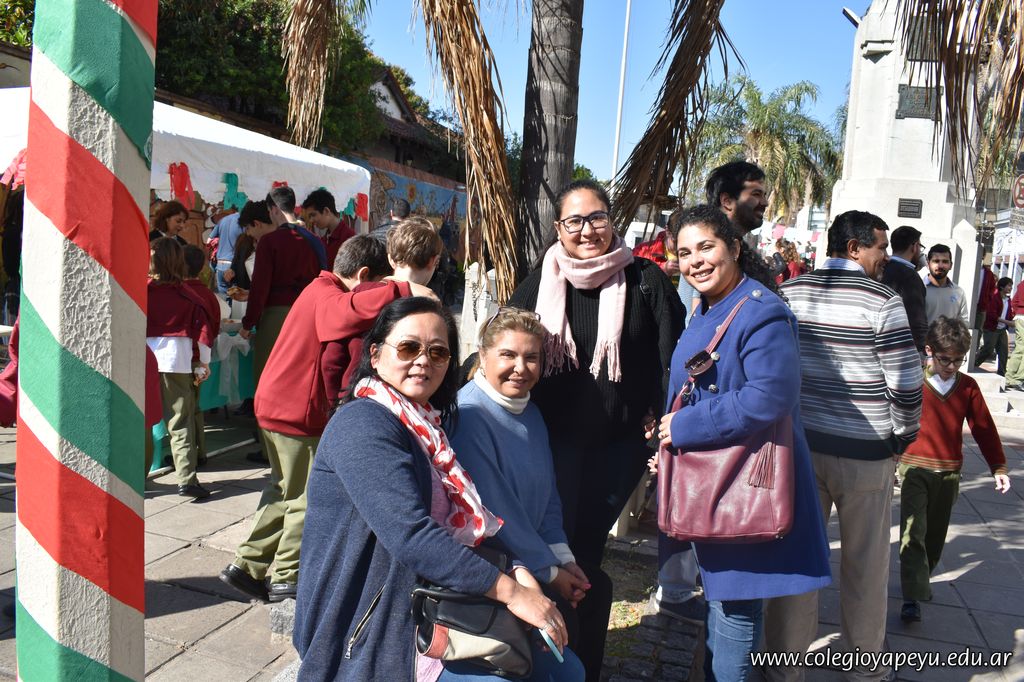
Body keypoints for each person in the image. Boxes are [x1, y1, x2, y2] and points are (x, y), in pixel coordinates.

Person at [294, 296, 570, 681]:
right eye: (409, 347)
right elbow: (412, 536)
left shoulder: (427, 427)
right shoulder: (363, 424)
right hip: (375, 623)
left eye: (438, 352)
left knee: (567, 669)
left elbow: (466, 525)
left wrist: (517, 568)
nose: (424, 360)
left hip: (431, 598)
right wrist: (511, 591)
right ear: (375, 355)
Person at [508, 179, 684, 679]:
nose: (587, 230)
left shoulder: (646, 280)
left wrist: (659, 413)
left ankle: (576, 661)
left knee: (585, 546)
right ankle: (552, 655)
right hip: (550, 444)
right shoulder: (539, 280)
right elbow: (505, 342)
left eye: (597, 218)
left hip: (617, 448)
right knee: (555, 546)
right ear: (558, 228)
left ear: (612, 220)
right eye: (575, 221)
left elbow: (672, 357)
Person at [648, 205, 831, 680]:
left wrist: (684, 428)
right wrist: (669, 445)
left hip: (744, 480)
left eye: (706, 247)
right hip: (714, 476)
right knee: (721, 602)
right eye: (685, 252)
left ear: (733, 247)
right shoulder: (709, 306)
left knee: (735, 610)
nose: (695, 260)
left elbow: (770, 395)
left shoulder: (761, 311)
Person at [220, 235, 427, 603]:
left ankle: (247, 565)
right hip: (294, 411)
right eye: (373, 285)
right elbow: (345, 313)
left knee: (282, 489)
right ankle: (287, 576)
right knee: (304, 496)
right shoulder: (326, 295)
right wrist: (402, 288)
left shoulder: (317, 289)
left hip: (276, 405)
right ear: (363, 274)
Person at [768, 210, 923, 682]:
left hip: (800, 449)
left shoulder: (791, 292)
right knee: (866, 566)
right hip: (866, 454)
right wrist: (902, 436)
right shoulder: (883, 301)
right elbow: (906, 383)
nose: (885, 256)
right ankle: (865, 668)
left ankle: (783, 667)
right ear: (854, 249)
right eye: (879, 247)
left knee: (797, 560)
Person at [448, 307, 588, 679]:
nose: (520, 368)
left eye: (531, 357)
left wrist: (563, 559)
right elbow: (497, 512)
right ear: (483, 356)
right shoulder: (470, 417)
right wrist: (551, 572)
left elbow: (548, 495)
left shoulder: (532, 413)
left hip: (533, 568)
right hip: (490, 578)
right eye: (508, 355)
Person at [898, 316, 1011, 624]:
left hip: (948, 473)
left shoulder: (968, 387)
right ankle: (912, 596)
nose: (951, 366)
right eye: (945, 359)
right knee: (913, 532)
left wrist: (998, 467)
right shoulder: (913, 380)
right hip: (913, 468)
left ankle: (922, 577)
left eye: (958, 360)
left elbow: (984, 429)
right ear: (929, 351)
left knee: (935, 536)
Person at [146, 238, 216, 498]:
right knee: (180, 421)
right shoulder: (189, 296)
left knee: (141, 421)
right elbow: (203, 334)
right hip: (176, 360)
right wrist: (204, 362)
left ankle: (137, 476)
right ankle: (186, 479)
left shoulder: (142, 290)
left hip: (144, 358)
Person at [241, 188, 326, 388]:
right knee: (299, 377)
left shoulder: (269, 241)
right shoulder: (315, 241)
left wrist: (248, 323)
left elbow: (260, 287)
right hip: (308, 315)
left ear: (274, 210)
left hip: (277, 315)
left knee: (268, 377)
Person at [183, 245, 223, 464]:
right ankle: (200, 451)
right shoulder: (208, 295)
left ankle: (188, 456)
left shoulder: (180, 293)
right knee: (195, 407)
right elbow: (214, 328)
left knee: (183, 411)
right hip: (200, 359)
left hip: (185, 359)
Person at [882, 225, 929, 357]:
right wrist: (922, 351)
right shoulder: (911, 277)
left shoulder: (882, 269)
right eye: (920, 247)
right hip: (903, 351)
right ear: (914, 247)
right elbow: (917, 320)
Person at [705, 161, 769, 235]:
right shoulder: (701, 239)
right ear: (727, 201)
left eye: (764, 195)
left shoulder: (734, 242)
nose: (765, 203)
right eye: (756, 194)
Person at [302, 188, 355, 268]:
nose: (311, 220)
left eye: (313, 215)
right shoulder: (324, 239)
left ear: (326, 211)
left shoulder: (349, 238)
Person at [923, 244, 969, 326]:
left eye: (945, 261)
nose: (940, 266)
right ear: (928, 264)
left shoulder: (959, 292)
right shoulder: (919, 288)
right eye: (936, 261)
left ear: (951, 265)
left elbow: (963, 324)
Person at [976, 277, 1014, 375]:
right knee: (988, 349)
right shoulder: (994, 297)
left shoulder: (1008, 300)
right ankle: (974, 364)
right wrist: (1007, 322)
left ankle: (1002, 374)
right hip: (991, 328)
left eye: (1011, 286)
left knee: (1003, 352)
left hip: (1002, 329)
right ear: (1002, 287)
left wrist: (1011, 320)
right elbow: (992, 315)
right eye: (1009, 285)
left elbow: (1009, 314)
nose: (1010, 288)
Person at [209, 211, 246, 295]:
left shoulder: (222, 221)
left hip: (220, 265)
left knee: (223, 298)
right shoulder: (243, 221)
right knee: (235, 297)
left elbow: (209, 240)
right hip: (233, 266)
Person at [1003, 280, 1024, 391]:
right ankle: (1018, 379)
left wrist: (1018, 313)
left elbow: (1014, 301)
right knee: (1021, 348)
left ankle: (1009, 377)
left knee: (1019, 348)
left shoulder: (1022, 284)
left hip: (1020, 317)